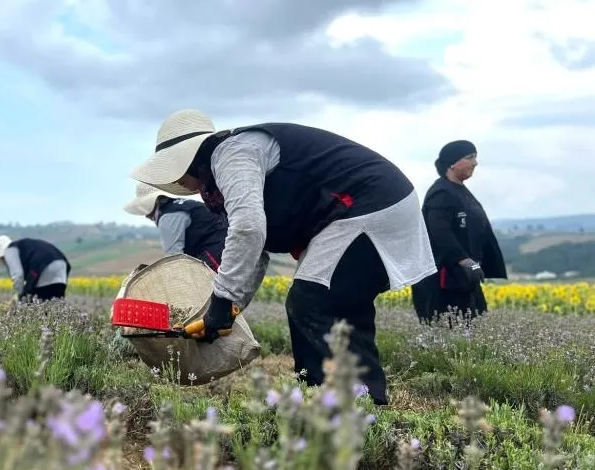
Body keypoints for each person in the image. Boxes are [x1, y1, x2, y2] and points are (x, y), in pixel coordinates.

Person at [129, 109, 437, 406]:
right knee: (337, 305)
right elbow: (255, 253)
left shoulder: (232, 154)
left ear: (189, 158)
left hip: (369, 203)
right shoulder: (226, 168)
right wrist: (227, 310)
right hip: (372, 205)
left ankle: (335, 400)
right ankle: (357, 400)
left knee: (312, 301)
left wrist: (223, 302)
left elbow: (248, 229)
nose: (178, 181)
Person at [410, 140, 507, 325]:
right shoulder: (441, 194)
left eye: (475, 157)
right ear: (452, 163)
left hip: (463, 278)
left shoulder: (459, 191)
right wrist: (464, 260)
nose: (475, 163)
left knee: (475, 327)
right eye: (470, 157)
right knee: (450, 332)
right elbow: (439, 232)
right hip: (444, 280)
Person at [123, 182, 228, 271]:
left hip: (216, 252)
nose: (146, 216)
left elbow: (174, 258)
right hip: (227, 244)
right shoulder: (182, 204)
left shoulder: (168, 217)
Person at [0, 235, 71, 301]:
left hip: (43, 268)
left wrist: (19, 296)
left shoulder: (10, 249)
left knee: (34, 305)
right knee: (56, 306)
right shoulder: (25, 246)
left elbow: (18, 275)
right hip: (62, 267)